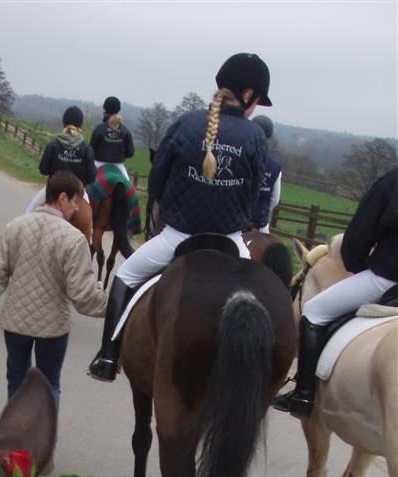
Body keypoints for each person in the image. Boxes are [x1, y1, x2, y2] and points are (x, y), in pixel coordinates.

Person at [88, 52, 272, 382]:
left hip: (177, 237)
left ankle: (107, 357)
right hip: (230, 241)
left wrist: (166, 206)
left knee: (126, 278)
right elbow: (257, 197)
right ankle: (257, 376)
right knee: (260, 300)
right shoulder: (255, 137)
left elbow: (158, 177)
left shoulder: (186, 124)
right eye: (258, 100)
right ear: (248, 96)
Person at [0, 170, 108, 409]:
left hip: (16, 324)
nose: (77, 209)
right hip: (53, 329)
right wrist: (114, 305)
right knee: (49, 385)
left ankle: (14, 443)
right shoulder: (74, 240)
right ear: (63, 198)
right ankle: (44, 444)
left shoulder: (14, 227)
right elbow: (82, 295)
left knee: (16, 382)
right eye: (75, 202)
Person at [273, 165, 398, 417]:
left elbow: (362, 230)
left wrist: (357, 263)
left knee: (315, 310)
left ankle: (304, 396)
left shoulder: (392, 181)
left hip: (387, 276)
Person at [26, 106, 96, 213]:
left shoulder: (53, 144)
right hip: (77, 193)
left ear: (64, 123)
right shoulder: (86, 149)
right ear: (80, 126)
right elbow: (91, 176)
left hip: (53, 191)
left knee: (28, 213)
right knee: (89, 226)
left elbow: (43, 169)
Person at [89, 96, 135, 181]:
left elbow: (90, 151)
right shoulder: (125, 131)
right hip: (118, 166)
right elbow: (130, 153)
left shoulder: (98, 129)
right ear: (118, 110)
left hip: (98, 164)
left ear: (105, 109)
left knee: (85, 188)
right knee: (130, 191)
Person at [251, 114, 282, 233]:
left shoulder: (239, 156)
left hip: (237, 224)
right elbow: (275, 199)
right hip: (260, 226)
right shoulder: (275, 166)